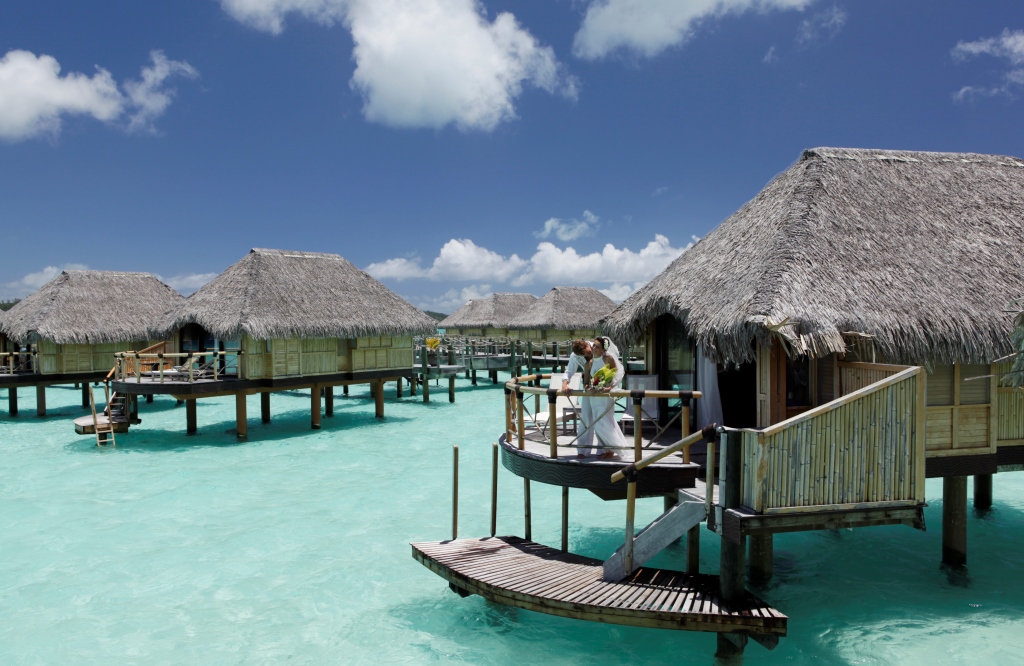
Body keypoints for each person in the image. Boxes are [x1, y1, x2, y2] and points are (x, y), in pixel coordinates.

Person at [587, 336, 628, 459]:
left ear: (603, 349)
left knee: (604, 422)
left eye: (597, 346)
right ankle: (608, 449)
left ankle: (615, 448)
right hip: (594, 398)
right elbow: (586, 382)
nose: (594, 348)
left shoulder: (608, 359)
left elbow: (617, 376)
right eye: (593, 345)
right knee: (598, 424)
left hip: (605, 396)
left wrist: (608, 388)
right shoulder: (589, 362)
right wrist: (589, 388)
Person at [561, 339, 595, 457]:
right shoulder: (575, 356)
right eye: (583, 355)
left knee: (603, 418)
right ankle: (582, 450)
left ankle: (605, 450)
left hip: (604, 387)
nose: (586, 355)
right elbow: (569, 370)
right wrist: (564, 384)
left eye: (587, 352)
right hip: (588, 387)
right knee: (585, 418)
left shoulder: (599, 347)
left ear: (587, 345)